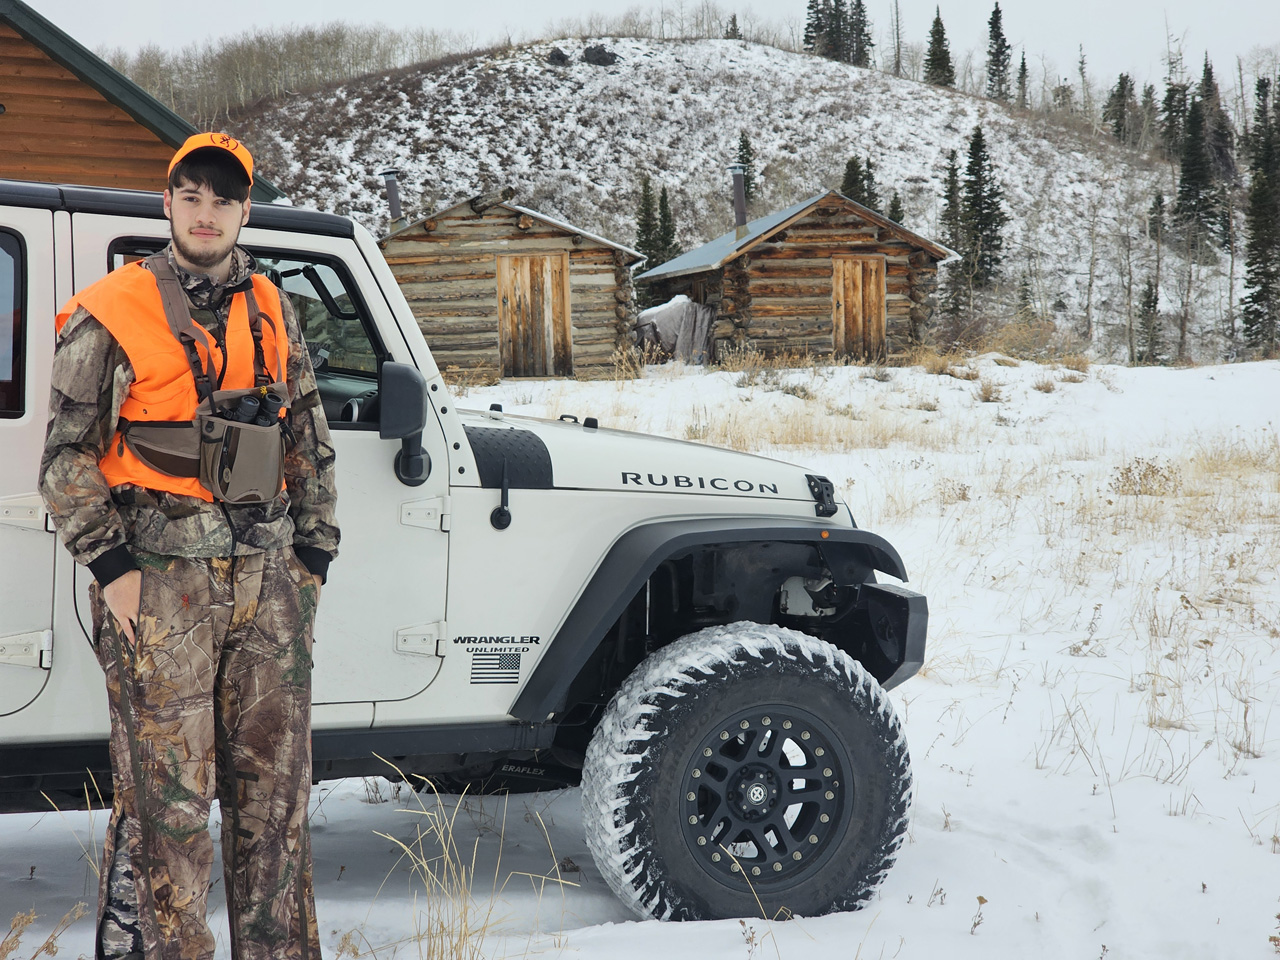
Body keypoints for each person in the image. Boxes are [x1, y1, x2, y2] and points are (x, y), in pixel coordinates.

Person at [39, 133, 339, 960]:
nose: (208, 213)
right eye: (193, 195)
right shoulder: (114, 310)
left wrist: (312, 559)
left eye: (226, 199)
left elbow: (308, 437)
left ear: (245, 211)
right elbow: (64, 458)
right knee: (168, 810)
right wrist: (114, 571)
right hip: (162, 590)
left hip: (268, 585)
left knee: (274, 802)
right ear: (167, 202)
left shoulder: (275, 307)